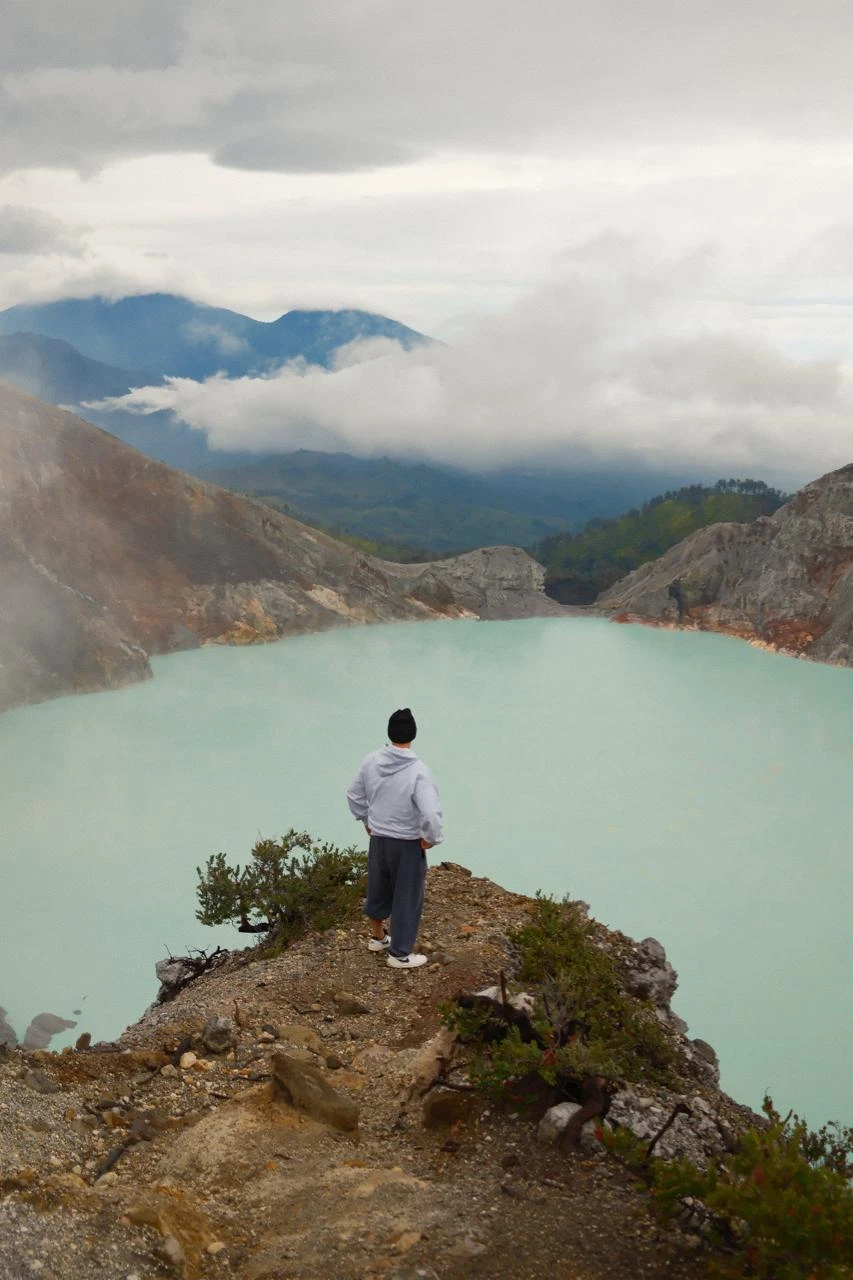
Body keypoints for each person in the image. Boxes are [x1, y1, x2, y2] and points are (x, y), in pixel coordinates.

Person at [346, 707, 443, 969]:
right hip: (407, 844)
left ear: (389, 732)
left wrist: (366, 820)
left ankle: (378, 938)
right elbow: (431, 813)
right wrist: (430, 838)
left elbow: (354, 795)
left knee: (378, 889)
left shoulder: (371, 761)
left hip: (378, 839)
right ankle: (399, 954)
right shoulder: (418, 771)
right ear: (413, 734)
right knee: (406, 896)